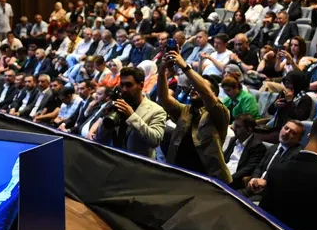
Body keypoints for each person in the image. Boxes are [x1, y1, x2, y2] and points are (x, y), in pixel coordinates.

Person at [157, 49, 230, 183]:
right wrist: (162, 71)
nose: (193, 88)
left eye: (197, 87)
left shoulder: (219, 113)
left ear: (213, 94)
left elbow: (206, 93)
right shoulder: (185, 110)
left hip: (208, 178)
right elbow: (164, 98)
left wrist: (185, 66)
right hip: (179, 173)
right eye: (192, 87)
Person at [94, 66, 167, 158]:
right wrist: (105, 123)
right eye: (122, 85)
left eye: (129, 85)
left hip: (137, 166)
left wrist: (132, 116)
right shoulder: (116, 105)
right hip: (113, 160)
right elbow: (99, 139)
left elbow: (155, 140)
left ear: (141, 85)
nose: (124, 89)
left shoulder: (157, 111)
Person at [246, 120, 304, 196]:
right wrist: (254, 179)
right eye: (286, 128)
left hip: (270, 195)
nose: (286, 132)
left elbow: (287, 181)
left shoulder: (298, 156)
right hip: (253, 189)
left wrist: (266, 183)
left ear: (299, 139)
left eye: (292, 132)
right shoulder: (273, 148)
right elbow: (259, 167)